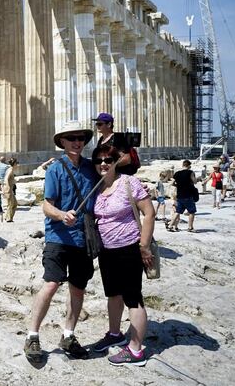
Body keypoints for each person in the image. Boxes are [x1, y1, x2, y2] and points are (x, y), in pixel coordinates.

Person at [24, 121, 98, 362]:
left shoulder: (92, 168)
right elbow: (46, 205)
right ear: (62, 142)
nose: (77, 142)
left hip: (83, 238)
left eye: (81, 138)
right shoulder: (55, 169)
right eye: (71, 138)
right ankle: (32, 336)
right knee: (52, 283)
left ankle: (68, 334)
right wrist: (61, 214)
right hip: (59, 236)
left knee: (78, 288)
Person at [89, 145, 155, 366]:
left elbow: (149, 212)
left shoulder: (128, 182)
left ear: (117, 161)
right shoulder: (97, 186)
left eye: (109, 159)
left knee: (133, 298)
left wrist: (144, 246)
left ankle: (135, 350)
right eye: (99, 161)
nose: (104, 164)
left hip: (129, 248)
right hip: (106, 251)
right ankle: (115, 334)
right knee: (113, 295)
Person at [168, 160, 198, 232]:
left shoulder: (177, 173)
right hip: (188, 195)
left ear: (183, 165)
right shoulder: (190, 172)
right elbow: (195, 182)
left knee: (178, 211)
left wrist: (179, 185)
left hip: (180, 195)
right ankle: (190, 227)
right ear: (189, 166)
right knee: (192, 212)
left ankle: (170, 225)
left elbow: (172, 183)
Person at [2, 157, 18, 223]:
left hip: (10, 189)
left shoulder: (10, 169)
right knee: (11, 204)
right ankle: (8, 218)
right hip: (8, 189)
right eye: (16, 163)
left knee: (14, 203)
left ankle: (7, 217)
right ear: (14, 164)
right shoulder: (10, 170)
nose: (17, 164)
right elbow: (6, 179)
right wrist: (8, 187)